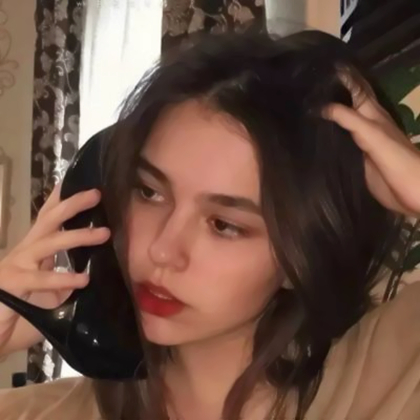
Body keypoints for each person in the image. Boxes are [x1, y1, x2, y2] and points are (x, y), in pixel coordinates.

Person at [0, 30, 419, 420]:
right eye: (149, 192)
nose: (162, 250)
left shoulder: (384, 381)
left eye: (223, 224)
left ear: (304, 253)